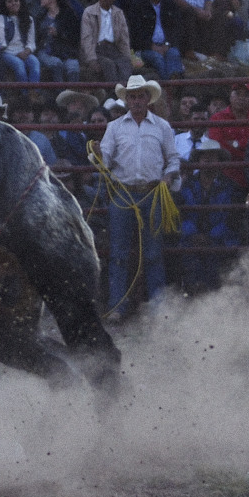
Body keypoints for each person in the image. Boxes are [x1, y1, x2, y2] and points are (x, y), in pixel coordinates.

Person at [99, 74, 179, 320]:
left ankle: (157, 309)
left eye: (139, 96)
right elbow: (104, 157)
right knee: (120, 253)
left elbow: (173, 159)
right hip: (123, 192)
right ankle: (118, 306)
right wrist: (103, 164)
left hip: (152, 192)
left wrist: (167, 178)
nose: (135, 100)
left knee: (153, 253)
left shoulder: (162, 127)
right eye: (131, 96)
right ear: (126, 100)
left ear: (147, 98)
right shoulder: (114, 127)